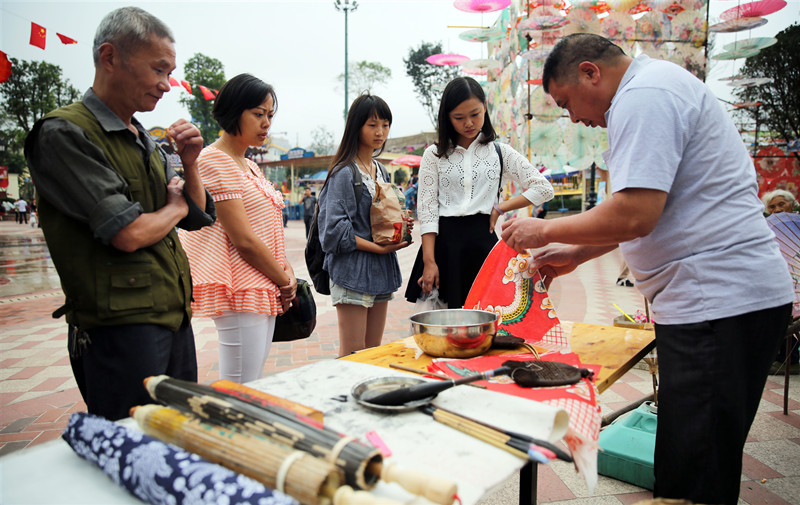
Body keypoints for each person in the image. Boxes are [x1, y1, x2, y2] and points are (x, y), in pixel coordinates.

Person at [500, 33, 794, 504]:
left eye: (566, 102)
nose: (573, 117)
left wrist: (547, 230)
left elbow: (635, 212)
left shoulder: (644, 96)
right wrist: (577, 254)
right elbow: (653, 209)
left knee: (695, 472)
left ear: (589, 73)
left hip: (718, 305)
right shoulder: (652, 88)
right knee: (694, 456)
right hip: (714, 304)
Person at [23, 6, 216, 421]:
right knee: (132, 441)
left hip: (172, 314)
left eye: (171, 72)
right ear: (110, 57)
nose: (166, 85)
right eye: (158, 70)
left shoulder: (142, 136)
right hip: (120, 327)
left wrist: (192, 162)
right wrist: (175, 205)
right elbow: (126, 231)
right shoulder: (66, 133)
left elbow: (196, 215)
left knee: (179, 435)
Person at [178, 73, 296, 384]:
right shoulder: (215, 161)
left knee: (252, 380)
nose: (266, 123)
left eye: (270, 115)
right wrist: (284, 279)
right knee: (239, 386)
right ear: (234, 112)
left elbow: (266, 228)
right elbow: (243, 239)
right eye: (258, 114)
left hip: (264, 283)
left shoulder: (250, 165)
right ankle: (224, 432)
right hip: (240, 288)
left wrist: (287, 271)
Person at [405, 76, 554, 309]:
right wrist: (429, 261)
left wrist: (500, 207)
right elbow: (427, 211)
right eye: (459, 117)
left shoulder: (500, 152)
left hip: (483, 245)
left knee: (485, 321)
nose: (469, 123)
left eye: (475, 114)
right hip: (444, 247)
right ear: (447, 117)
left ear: (485, 107)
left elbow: (543, 188)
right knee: (443, 327)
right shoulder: (433, 154)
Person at [317, 93, 409, 355]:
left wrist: (400, 225)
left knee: (373, 352)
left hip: (380, 270)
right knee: (353, 353)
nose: (380, 132)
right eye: (372, 125)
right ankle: (343, 396)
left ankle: (365, 396)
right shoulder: (344, 172)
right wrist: (378, 248)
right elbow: (332, 233)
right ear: (356, 126)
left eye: (385, 124)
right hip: (352, 271)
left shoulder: (380, 169)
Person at [761, 189, 800, 374]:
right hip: (782, 279)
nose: (777, 209)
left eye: (781, 204)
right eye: (772, 206)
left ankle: (789, 361)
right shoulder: (766, 230)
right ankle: (784, 360)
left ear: (792, 204)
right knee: (782, 315)